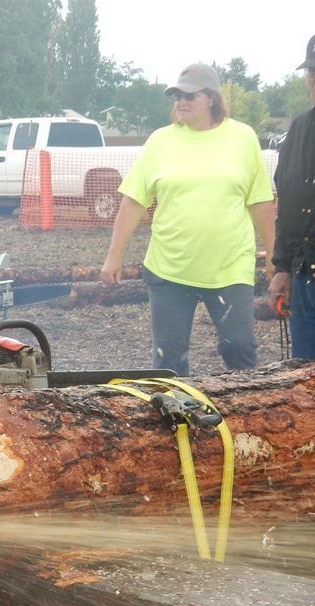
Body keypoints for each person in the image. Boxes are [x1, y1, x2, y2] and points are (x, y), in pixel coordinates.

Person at [99, 63, 274, 376]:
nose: (181, 101)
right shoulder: (160, 142)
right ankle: (176, 423)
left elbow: (259, 201)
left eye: (190, 95)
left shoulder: (243, 138)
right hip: (170, 271)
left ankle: (246, 415)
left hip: (230, 268)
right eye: (177, 95)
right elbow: (133, 201)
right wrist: (114, 256)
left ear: (211, 98)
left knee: (240, 348)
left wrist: (275, 253)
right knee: (168, 362)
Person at [268, 34, 315, 359]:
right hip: (304, 275)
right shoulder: (300, 128)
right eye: (312, 72)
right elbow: (286, 201)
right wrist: (282, 267)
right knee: (302, 379)